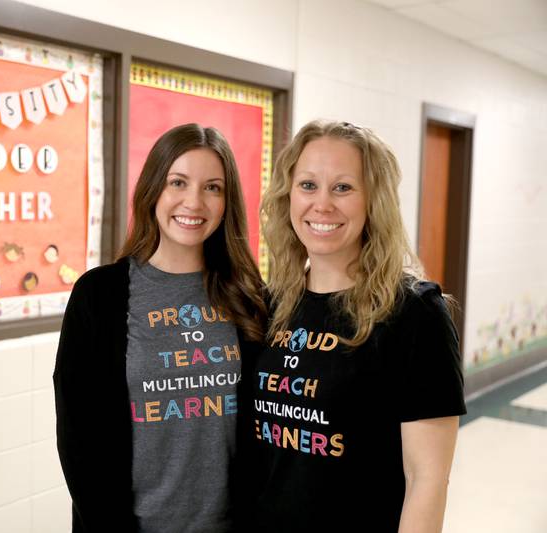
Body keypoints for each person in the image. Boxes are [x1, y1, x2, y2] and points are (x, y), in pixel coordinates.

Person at [240, 120, 466, 531]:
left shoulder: (414, 314)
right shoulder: (272, 304)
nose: (322, 204)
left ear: (373, 201)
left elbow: (427, 480)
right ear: (288, 195)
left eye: (342, 187)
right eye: (308, 185)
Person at [54, 123, 266, 533]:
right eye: (178, 182)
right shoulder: (99, 296)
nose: (194, 201)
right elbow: (79, 443)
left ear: (227, 202)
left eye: (212, 188)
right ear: (153, 189)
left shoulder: (249, 297)